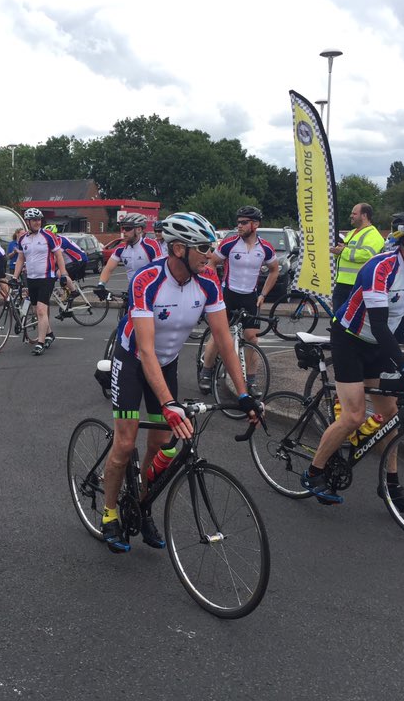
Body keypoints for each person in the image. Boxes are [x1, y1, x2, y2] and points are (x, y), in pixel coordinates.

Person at [100, 211, 261, 553]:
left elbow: (224, 340)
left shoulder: (208, 281)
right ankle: (110, 512)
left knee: (159, 447)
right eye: (202, 248)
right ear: (177, 250)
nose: (210, 254)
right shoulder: (146, 280)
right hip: (132, 363)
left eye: (210, 247)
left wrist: (245, 394)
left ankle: (142, 507)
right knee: (126, 444)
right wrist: (170, 403)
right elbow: (144, 351)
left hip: (168, 365)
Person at [301, 210, 404, 512]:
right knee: (353, 415)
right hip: (350, 340)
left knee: (390, 415)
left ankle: (390, 485)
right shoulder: (380, 268)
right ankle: (313, 472)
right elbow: (377, 324)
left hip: (380, 344)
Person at [198, 206, 278, 396]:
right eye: (238, 222)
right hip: (229, 294)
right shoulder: (229, 244)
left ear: (255, 225)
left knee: (252, 338)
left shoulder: (265, 247)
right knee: (219, 336)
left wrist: (263, 294)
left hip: (250, 296)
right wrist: (214, 288)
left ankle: (251, 381)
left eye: (243, 223)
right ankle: (206, 372)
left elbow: (274, 270)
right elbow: (211, 263)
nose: (239, 226)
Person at [12, 208, 70, 355]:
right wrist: (14, 277)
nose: (37, 222)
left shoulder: (48, 236)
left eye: (39, 219)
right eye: (34, 220)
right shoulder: (22, 239)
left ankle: (40, 342)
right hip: (31, 278)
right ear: (27, 222)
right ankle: (50, 334)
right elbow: (20, 259)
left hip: (46, 277)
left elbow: (58, 255)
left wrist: (63, 274)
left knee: (41, 310)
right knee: (35, 310)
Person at [329, 203, 386, 310]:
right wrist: (337, 253)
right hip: (342, 283)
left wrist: (343, 251)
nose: (351, 216)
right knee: (337, 320)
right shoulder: (351, 233)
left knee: (347, 321)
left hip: (356, 285)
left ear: (364, 216)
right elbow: (345, 254)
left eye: (354, 213)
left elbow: (367, 254)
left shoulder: (373, 235)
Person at [95, 213, 162, 297]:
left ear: (139, 229)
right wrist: (101, 285)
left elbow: (160, 270)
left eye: (128, 228)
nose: (123, 231)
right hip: (132, 290)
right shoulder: (121, 248)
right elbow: (108, 269)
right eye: (123, 228)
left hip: (151, 291)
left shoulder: (151, 245)